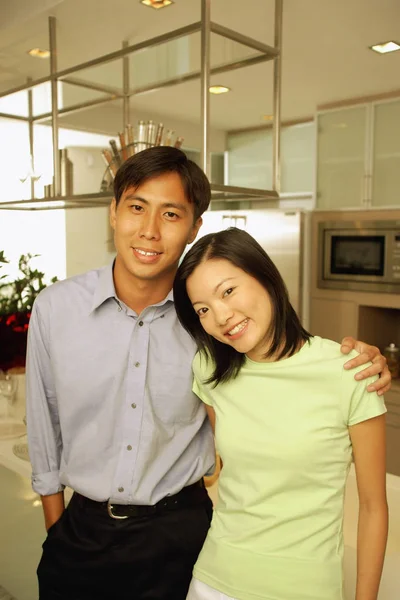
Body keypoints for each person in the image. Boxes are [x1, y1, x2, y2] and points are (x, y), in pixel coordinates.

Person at [26, 147, 390, 600]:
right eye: (137, 207)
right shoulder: (56, 310)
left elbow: (275, 354)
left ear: (194, 227)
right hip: (81, 535)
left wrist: (355, 359)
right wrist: (58, 530)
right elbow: (45, 425)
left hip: (179, 537)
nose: (150, 230)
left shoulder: (211, 330)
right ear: (113, 212)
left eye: (171, 214)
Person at [173, 227, 388, 600]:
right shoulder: (209, 369)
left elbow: (372, 508)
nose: (221, 316)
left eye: (228, 291)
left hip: (304, 589)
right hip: (214, 582)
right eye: (203, 310)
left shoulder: (350, 372)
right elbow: (225, 470)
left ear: (265, 276)